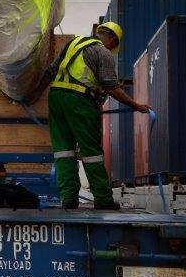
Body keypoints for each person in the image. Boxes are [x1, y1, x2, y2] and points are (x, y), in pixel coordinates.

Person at [44, 22, 150, 210]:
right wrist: (136, 106)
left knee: (63, 151)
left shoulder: (72, 43)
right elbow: (112, 88)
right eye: (113, 45)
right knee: (91, 151)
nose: (112, 49)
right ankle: (102, 199)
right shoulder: (103, 53)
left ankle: (68, 198)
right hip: (79, 102)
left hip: (56, 98)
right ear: (111, 40)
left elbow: (51, 72)